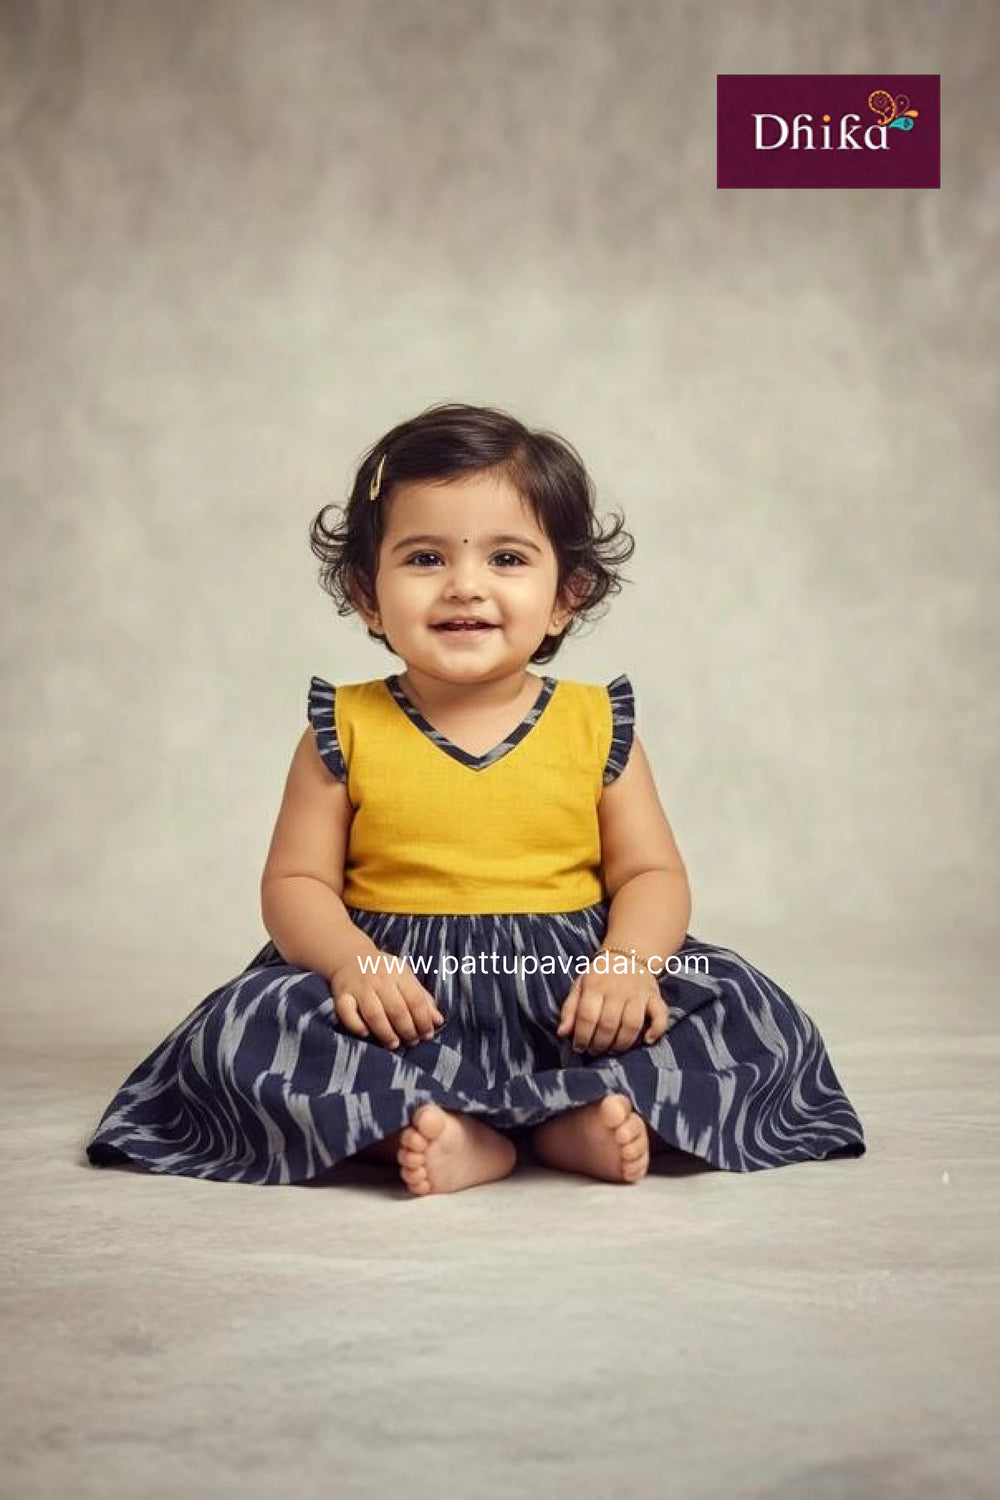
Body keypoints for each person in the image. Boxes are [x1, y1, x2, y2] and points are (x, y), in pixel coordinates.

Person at [85, 401, 866, 1195]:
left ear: (570, 592)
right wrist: (353, 964)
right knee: (245, 1033)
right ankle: (442, 1134)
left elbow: (651, 876)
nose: (465, 586)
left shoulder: (596, 725)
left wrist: (627, 967)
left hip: (570, 996)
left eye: (507, 559)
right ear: (365, 591)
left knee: (745, 1017)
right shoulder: (344, 727)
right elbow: (295, 884)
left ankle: (573, 1120)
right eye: (424, 558)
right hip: (398, 999)